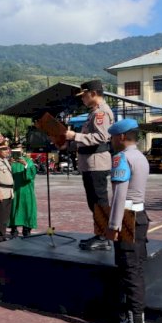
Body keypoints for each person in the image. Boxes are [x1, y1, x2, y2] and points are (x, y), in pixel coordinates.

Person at [105, 119, 150, 323]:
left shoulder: (121, 158)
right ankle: (134, 319)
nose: (112, 141)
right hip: (140, 216)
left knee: (129, 272)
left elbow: (120, 195)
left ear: (121, 137)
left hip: (127, 218)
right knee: (135, 270)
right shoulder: (140, 156)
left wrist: (113, 225)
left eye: (113, 137)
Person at [64, 79, 114, 251]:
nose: (82, 99)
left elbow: (101, 138)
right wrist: (69, 143)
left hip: (97, 163)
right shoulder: (94, 112)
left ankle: (105, 237)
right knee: (93, 202)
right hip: (90, 163)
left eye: (84, 95)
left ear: (93, 93)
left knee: (99, 201)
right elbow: (88, 140)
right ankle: (100, 233)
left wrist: (74, 136)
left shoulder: (101, 112)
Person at [8, 141, 37, 237]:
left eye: (20, 148)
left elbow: (32, 175)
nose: (18, 150)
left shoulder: (28, 160)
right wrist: (8, 164)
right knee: (14, 209)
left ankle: (27, 229)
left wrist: (26, 165)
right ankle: (14, 230)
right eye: (15, 148)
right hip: (14, 189)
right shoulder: (9, 161)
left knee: (27, 209)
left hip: (26, 190)